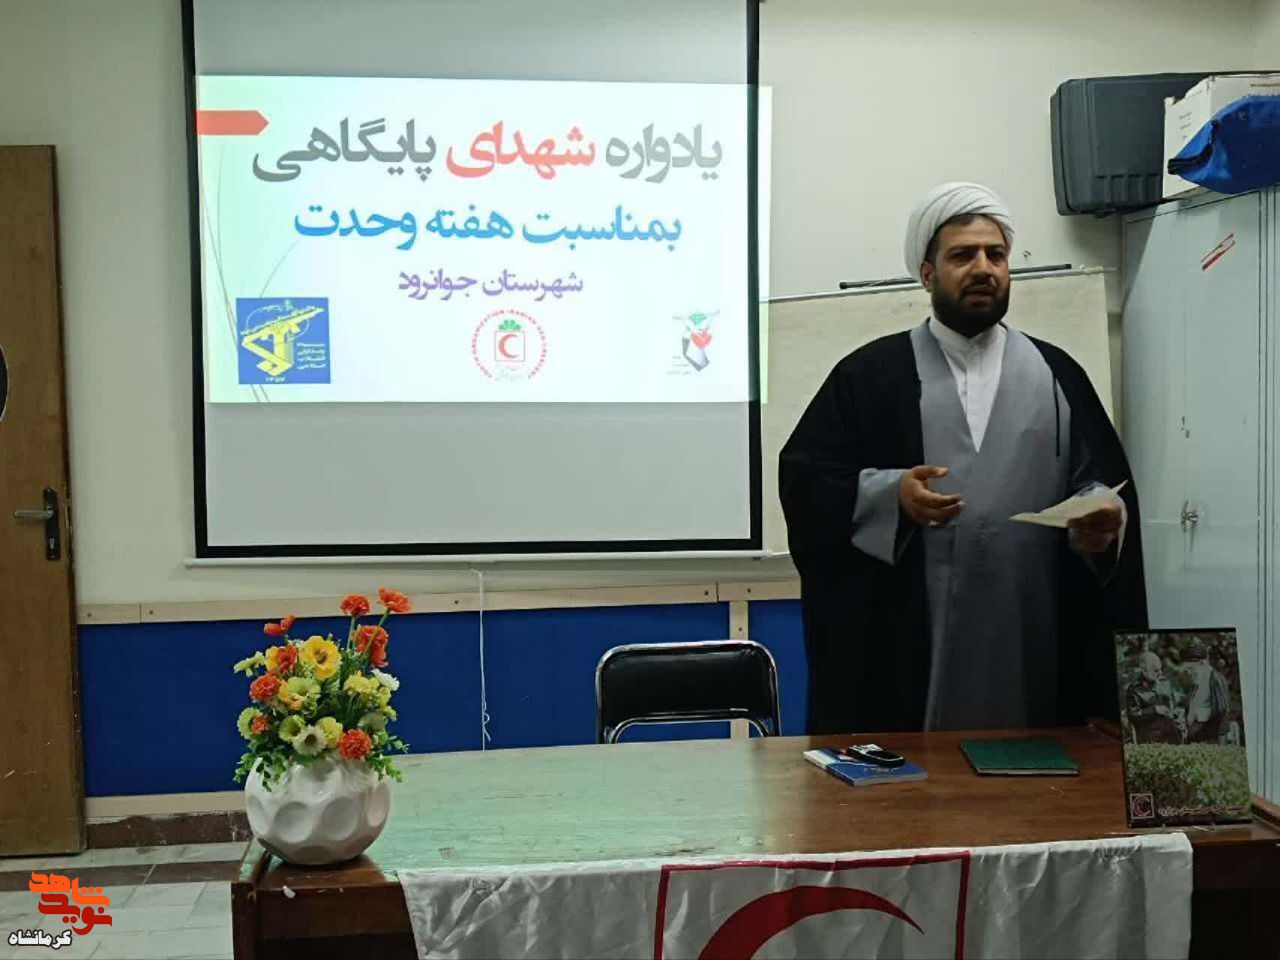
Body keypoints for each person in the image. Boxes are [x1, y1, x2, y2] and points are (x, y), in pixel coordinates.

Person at [780, 182, 1148, 733]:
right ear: (927, 274)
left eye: (995, 255)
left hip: (1034, 637)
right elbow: (808, 483)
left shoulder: (1057, 375)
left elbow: (1101, 483)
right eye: (962, 256)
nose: (983, 268)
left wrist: (1104, 523)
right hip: (908, 655)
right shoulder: (869, 376)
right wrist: (891, 495)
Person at [1184, 640, 1229, 743]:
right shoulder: (1197, 680)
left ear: (1202, 663)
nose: (1189, 672)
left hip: (1211, 739)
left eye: (1191, 668)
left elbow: (1221, 711)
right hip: (1196, 739)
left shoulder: (1216, 679)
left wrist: (1199, 716)